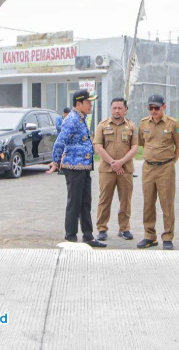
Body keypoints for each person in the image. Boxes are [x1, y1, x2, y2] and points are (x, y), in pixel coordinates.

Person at [46, 89, 106, 248]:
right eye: (88, 102)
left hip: (84, 166)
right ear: (79, 103)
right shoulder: (71, 119)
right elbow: (60, 141)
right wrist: (55, 161)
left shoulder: (82, 118)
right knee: (74, 202)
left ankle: (88, 235)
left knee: (85, 202)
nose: (90, 105)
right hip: (73, 167)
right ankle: (70, 236)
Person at [137, 94, 179, 250]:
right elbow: (143, 143)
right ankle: (149, 236)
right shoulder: (143, 123)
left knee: (166, 203)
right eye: (150, 108)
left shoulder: (173, 124)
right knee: (148, 203)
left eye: (156, 108)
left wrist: (171, 162)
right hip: (148, 168)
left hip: (165, 168)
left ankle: (167, 236)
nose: (153, 111)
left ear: (163, 107)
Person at [93, 97, 139, 241]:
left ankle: (124, 229)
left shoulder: (131, 126)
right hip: (107, 170)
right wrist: (113, 162)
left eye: (120, 108)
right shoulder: (102, 125)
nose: (117, 111)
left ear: (126, 110)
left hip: (125, 170)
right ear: (111, 109)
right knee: (104, 199)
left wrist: (121, 162)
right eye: (114, 108)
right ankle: (101, 228)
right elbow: (98, 146)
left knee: (125, 200)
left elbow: (135, 147)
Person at [55, 108, 71, 175]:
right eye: (66, 114)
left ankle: (65, 168)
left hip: (67, 139)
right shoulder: (59, 119)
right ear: (64, 113)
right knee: (59, 153)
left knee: (65, 153)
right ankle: (59, 168)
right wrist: (64, 125)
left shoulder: (70, 119)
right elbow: (57, 127)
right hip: (60, 138)